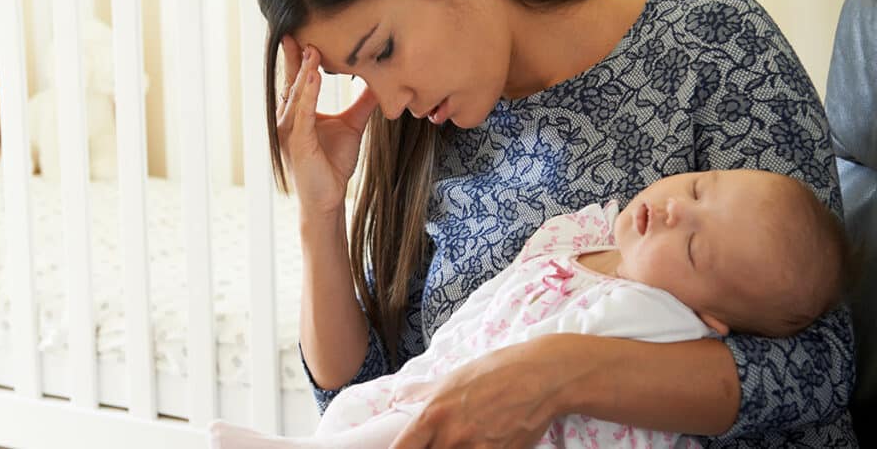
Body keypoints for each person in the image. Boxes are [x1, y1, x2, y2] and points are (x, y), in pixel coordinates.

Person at [253, 0, 856, 446]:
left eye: (382, 50)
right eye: (351, 75)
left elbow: (818, 364)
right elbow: (365, 407)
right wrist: (320, 213)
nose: (387, 104)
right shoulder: (422, 136)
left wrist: (556, 373)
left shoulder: (715, 44)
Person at [207, 169, 850, 448]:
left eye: (696, 246)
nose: (679, 209)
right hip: (445, 374)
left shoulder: (660, 315)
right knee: (355, 408)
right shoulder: (588, 234)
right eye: (700, 188)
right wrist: (320, 213)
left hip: (519, 430)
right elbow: (353, 372)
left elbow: (826, 367)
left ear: (712, 317)